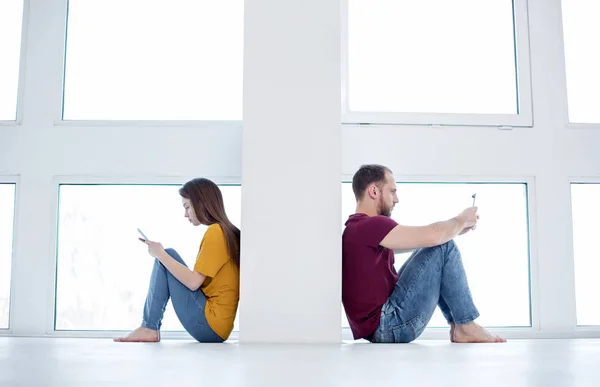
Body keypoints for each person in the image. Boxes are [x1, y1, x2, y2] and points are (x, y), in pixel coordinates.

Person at [342, 164, 506, 344]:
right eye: (392, 191)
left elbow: (425, 242)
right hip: (388, 324)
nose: (396, 199)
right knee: (443, 246)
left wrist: (457, 230)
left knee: (439, 245)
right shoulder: (369, 225)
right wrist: (462, 219)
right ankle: (466, 326)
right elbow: (434, 235)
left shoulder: (356, 230)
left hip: (379, 327)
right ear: (374, 191)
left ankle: (459, 327)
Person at [114, 178, 240, 343]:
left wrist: (161, 255)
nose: (185, 214)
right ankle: (149, 327)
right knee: (166, 255)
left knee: (166, 255)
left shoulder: (216, 232)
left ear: (201, 203)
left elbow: (194, 282)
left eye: (187, 207)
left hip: (210, 325)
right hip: (220, 326)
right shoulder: (227, 231)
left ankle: (149, 327)